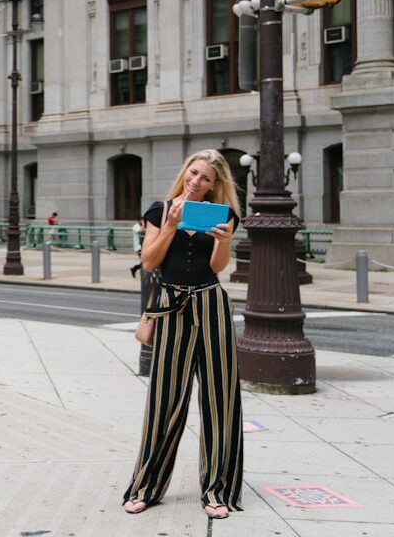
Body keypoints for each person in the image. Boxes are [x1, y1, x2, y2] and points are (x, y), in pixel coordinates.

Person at [122, 149, 241, 520]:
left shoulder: (225, 216)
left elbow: (218, 268)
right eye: (193, 173)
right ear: (184, 172)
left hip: (211, 306)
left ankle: (216, 490)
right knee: (164, 398)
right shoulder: (159, 210)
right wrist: (171, 225)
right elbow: (149, 261)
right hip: (172, 306)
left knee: (219, 399)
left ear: (215, 184)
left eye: (205, 178)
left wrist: (223, 240)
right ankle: (147, 486)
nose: (196, 182)